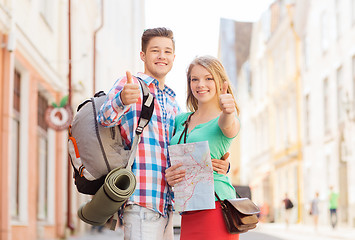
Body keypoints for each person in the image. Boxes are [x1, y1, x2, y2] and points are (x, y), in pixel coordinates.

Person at [97, 28, 230, 240]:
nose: (162, 56)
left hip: (169, 205)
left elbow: (183, 151)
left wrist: (221, 164)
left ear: (173, 58)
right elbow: (103, 119)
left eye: (167, 51)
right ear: (143, 55)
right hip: (142, 199)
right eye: (155, 50)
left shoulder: (172, 103)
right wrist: (121, 99)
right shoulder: (130, 85)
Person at [165, 55, 241, 240]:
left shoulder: (224, 119)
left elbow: (228, 126)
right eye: (195, 79)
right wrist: (169, 174)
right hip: (188, 208)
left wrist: (228, 111)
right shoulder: (181, 120)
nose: (201, 84)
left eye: (208, 78)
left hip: (216, 207)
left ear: (219, 81)